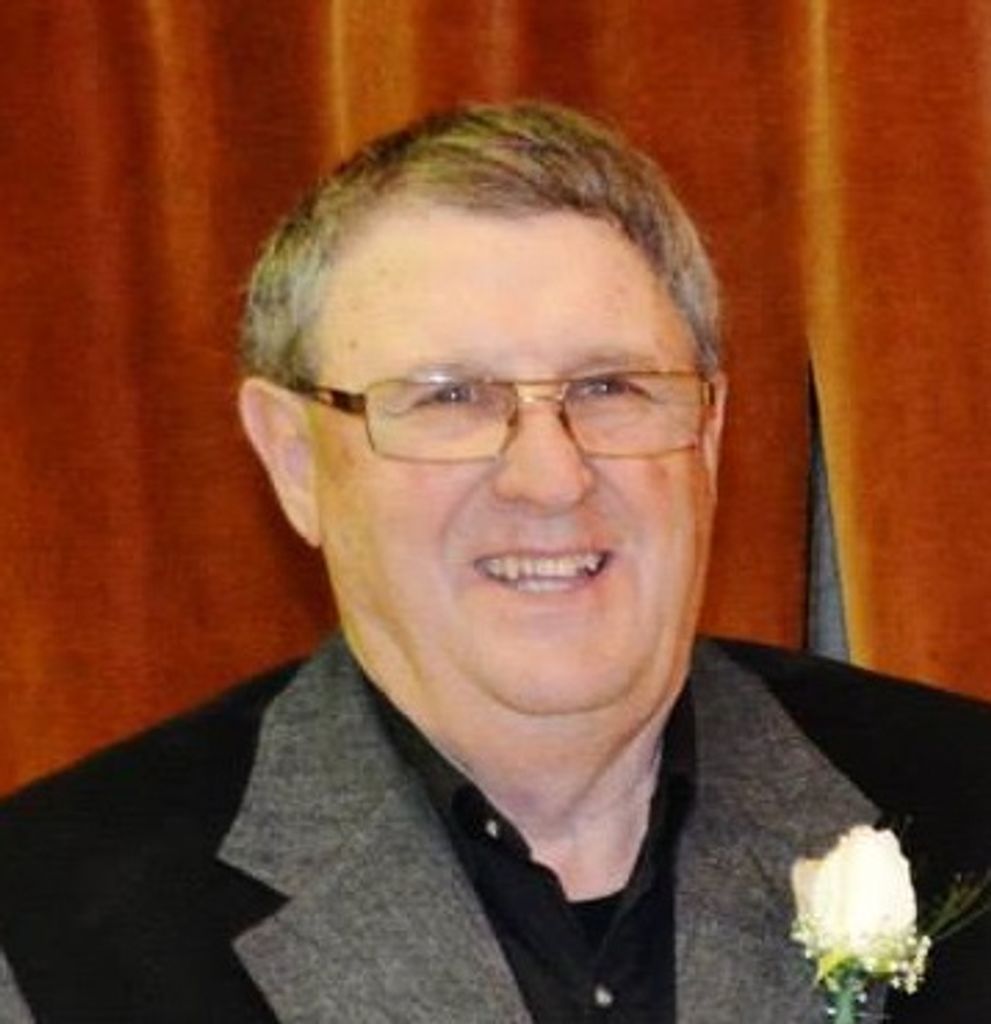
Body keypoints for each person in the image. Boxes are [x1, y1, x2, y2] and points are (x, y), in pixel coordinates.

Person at [0, 102, 987, 1024]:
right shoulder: (47, 934)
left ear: (709, 435)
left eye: (610, 387)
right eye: (450, 398)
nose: (550, 477)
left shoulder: (966, 800)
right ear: (295, 460)